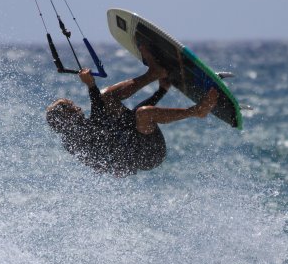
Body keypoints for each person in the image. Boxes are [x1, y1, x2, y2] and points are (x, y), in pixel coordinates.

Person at [46, 46, 218, 177]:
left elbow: (131, 118)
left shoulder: (88, 128)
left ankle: (155, 73)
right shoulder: (76, 138)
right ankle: (197, 111)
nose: (77, 107)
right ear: (66, 119)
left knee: (107, 97)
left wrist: (161, 91)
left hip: (134, 139)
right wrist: (91, 85)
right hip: (148, 156)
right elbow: (105, 116)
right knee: (139, 112)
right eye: (71, 107)